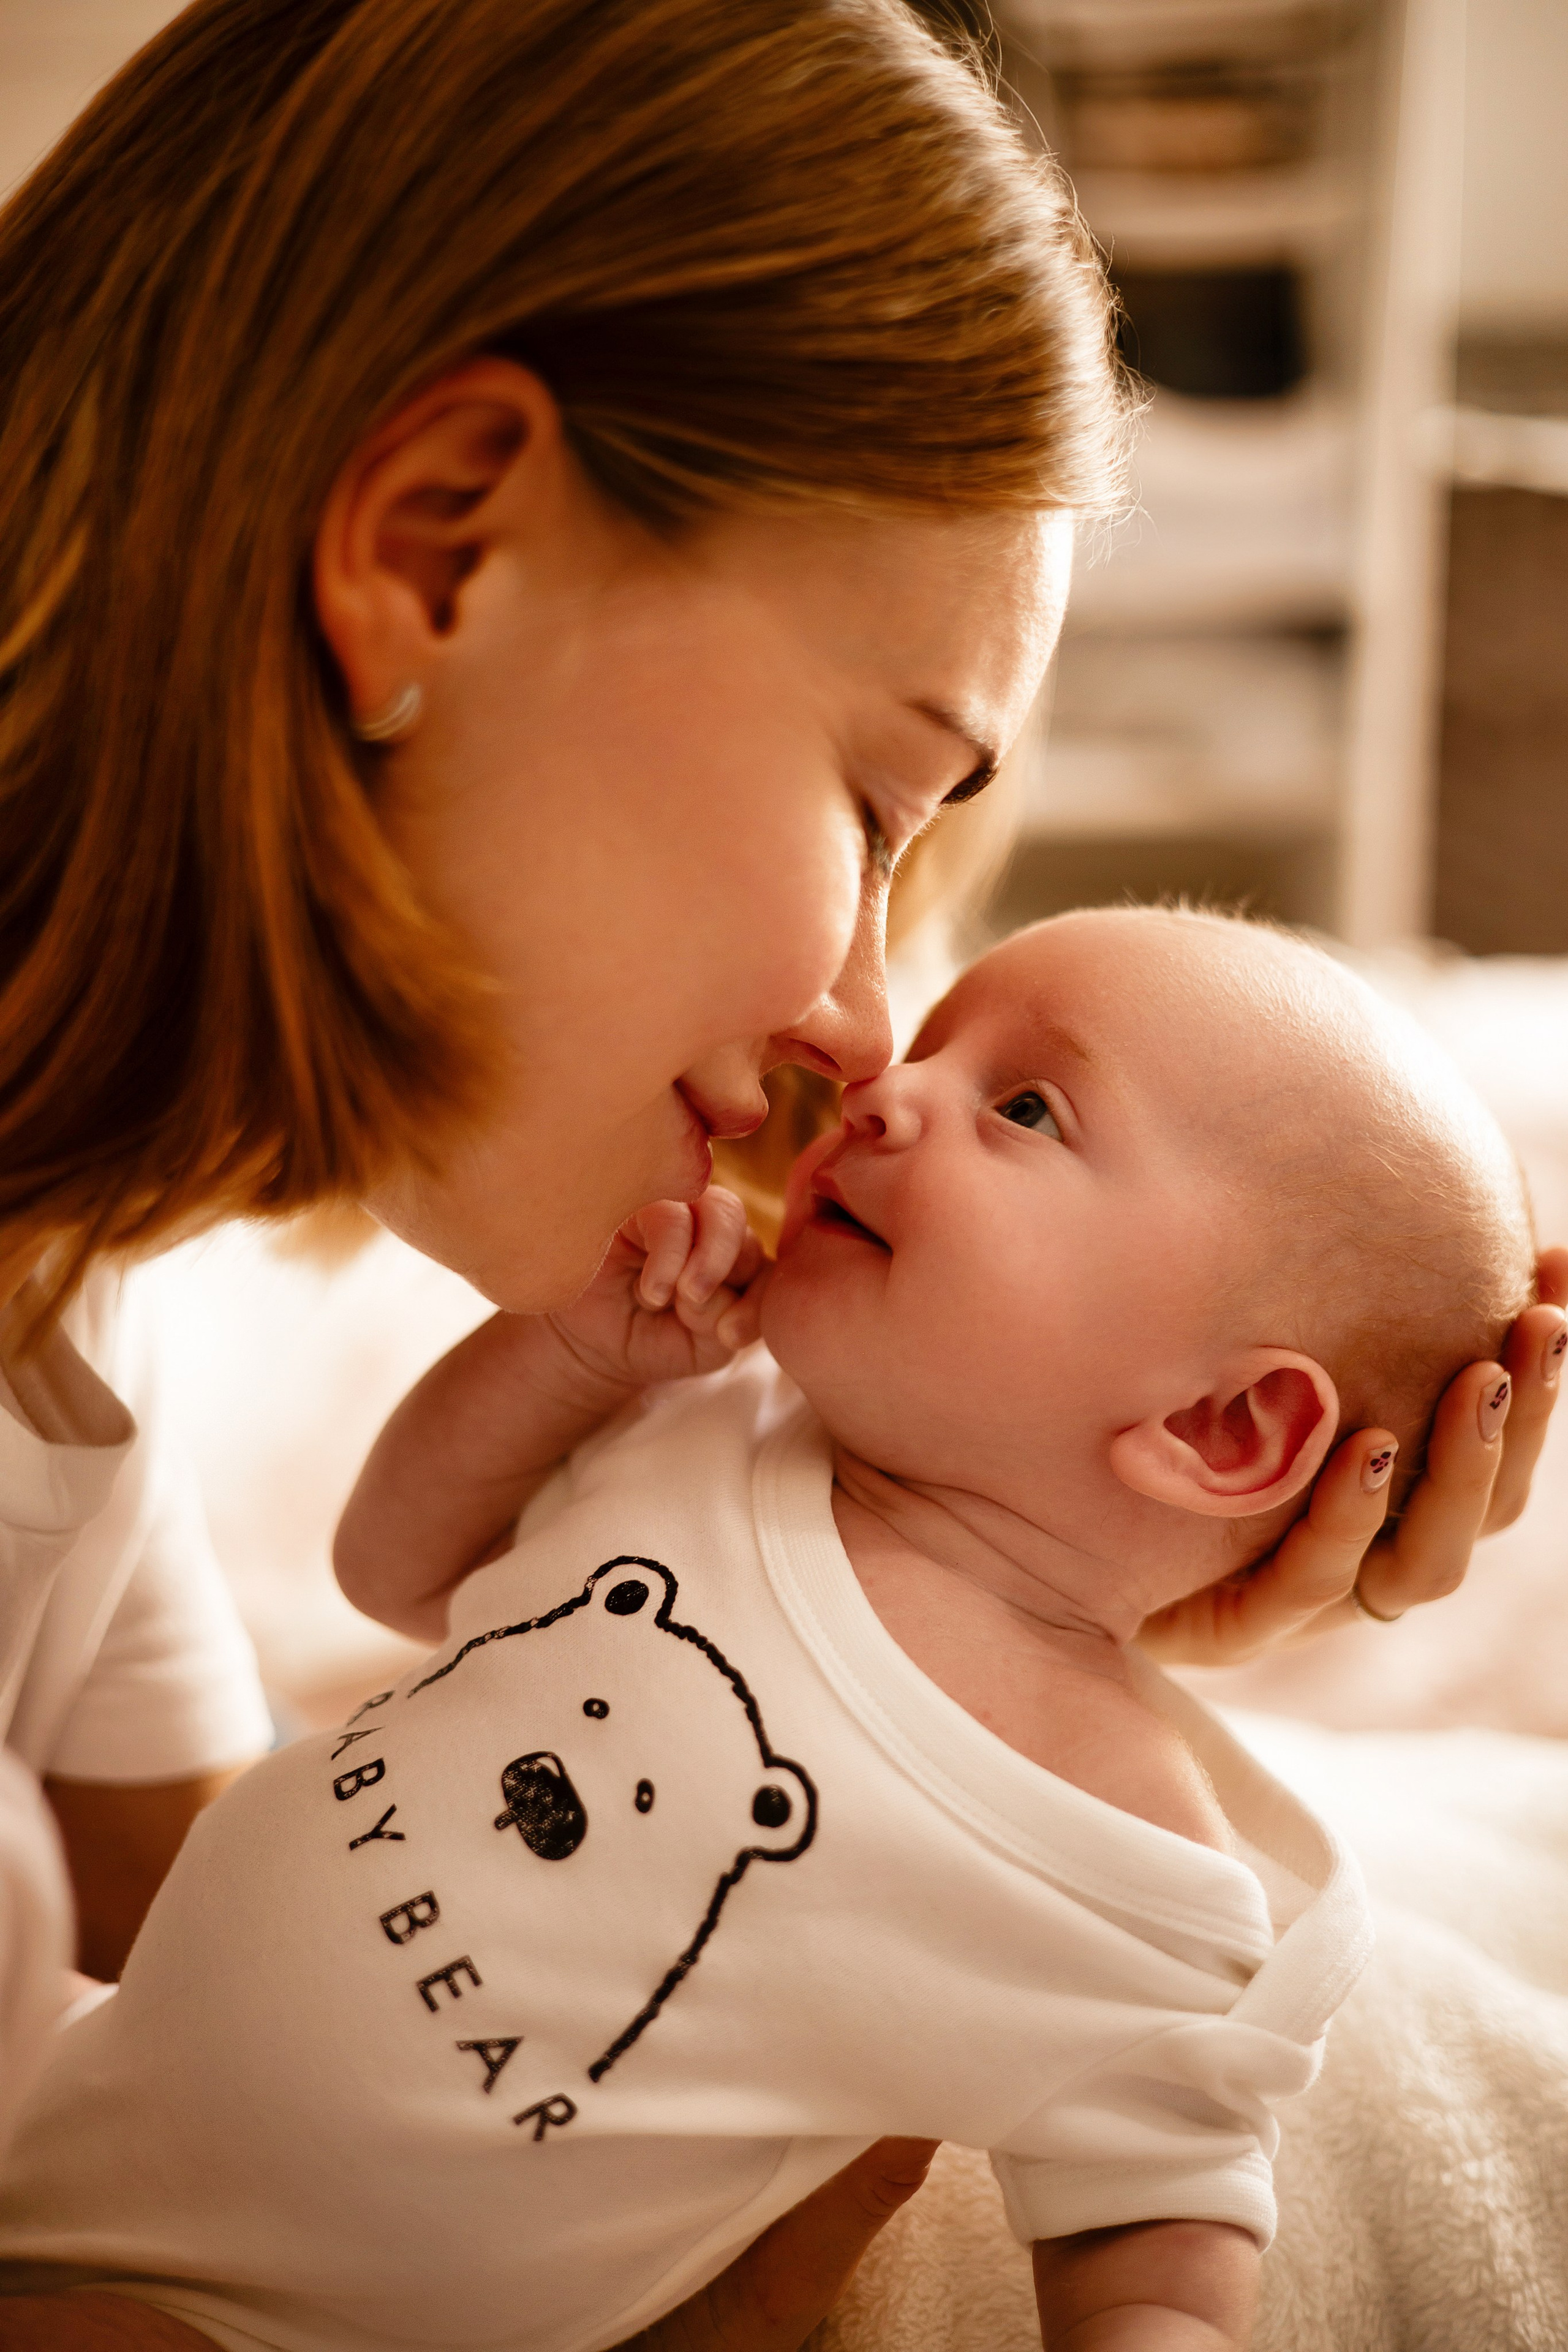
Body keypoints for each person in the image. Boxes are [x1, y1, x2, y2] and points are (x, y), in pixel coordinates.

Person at [0, 1, 1561, 2345]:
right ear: (437, 554)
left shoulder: (63, 1287)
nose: (860, 1032)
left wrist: (1018, 1601)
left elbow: (265, 1943)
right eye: (873, 801)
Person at [0, 907, 1541, 2352]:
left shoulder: (1132, 1856)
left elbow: (1164, 2206)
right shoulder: (709, 1417)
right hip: (91, 2082)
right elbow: (390, 1565)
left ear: (1225, 1422)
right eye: (931, 1045)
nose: (882, 1091)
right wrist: (568, 1361)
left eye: (1025, 1110)